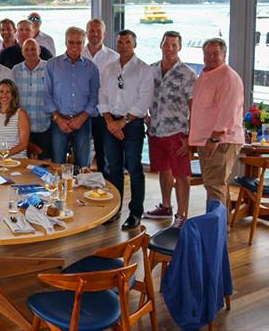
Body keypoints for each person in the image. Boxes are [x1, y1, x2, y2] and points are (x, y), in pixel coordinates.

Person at [98, 29, 154, 230]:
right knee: (113, 169)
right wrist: (110, 122)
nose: (123, 46)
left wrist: (122, 123)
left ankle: (135, 213)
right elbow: (102, 95)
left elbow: (144, 101)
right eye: (120, 42)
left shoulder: (145, 70)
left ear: (134, 45)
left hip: (133, 125)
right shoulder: (108, 68)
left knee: (134, 168)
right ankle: (114, 211)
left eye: (127, 42)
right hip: (110, 123)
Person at [144, 31, 197, 228]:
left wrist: (190, 136)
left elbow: (194, 107)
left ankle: (182, 215)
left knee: (182, 175)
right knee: (163, 170)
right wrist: (145, 117)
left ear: (180, 47)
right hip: (156, 130)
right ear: (161, 45)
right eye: (167, 44)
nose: (170, 48)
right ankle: (166, 207)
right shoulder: (151, 70)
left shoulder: (188, 74)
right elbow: (143, 96)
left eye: (174, 45)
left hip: (178, 133)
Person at [189, 38, 244, 206]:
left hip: (220, 142)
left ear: (224, 55)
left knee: (215, 187)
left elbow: (228, 111)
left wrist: (214, 139)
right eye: (207, 53)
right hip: (207, 140)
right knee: (216, 186)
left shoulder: (228, 77)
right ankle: (220, 226)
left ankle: (215, 230)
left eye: (215, 54)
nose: (210, 57)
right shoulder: (206, 74)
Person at [44, 27, 100, 168]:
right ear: (65, 42)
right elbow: (46, 94)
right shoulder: (51, 65)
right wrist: (59, 119)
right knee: (58, 164)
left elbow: (94, 97)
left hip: (83, 122)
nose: (75, 46)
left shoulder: (92, 68)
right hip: (59, 122)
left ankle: (81, 190)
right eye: (71, 42)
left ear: (84, 43)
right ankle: (59, 190)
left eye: (79, 42)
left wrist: (81, 118)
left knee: (83, 165)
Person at [83, 18, 119, 178]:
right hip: (81, 112)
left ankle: (105, 190)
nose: (95, 34)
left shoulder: (114, 57)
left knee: (103, 154)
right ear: (86, 33)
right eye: (92, 30)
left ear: (104, 34)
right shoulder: (78, 53)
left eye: (98, 31)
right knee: (81, 153)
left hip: (103, 112)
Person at [12, 39, 52, 156]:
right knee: (23, 164)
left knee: (45, 163)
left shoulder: (49, 68)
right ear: (22, 52)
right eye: (26, 49)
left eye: (33, 49)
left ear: (39, 51)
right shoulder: (15, 70)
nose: (30, 52)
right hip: (21, 127)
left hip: (44, 124)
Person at [0, 79, 31, 157]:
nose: (4, 95)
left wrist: (2, 154)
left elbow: (23, 144)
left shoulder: (21, 114)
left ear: (13, 95)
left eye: (8, 92)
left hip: (16, 160)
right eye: (1, 92)